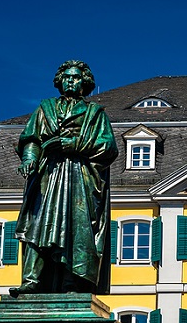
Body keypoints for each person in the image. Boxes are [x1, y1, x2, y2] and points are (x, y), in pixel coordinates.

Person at [11, 60, 118, 296]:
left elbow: (108, 147)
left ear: (85, 83)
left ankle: (73, 283)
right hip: (47, 175)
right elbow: (31, 138)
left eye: (76, 77)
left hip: (80, 178)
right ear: (60, 81)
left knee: (75, 229)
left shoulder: (95, 113)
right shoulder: (45, 108)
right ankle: (31, 280)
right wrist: (29, 158)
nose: (71, 80)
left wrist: (75, 144)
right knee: (36, 227)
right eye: (67, 77)